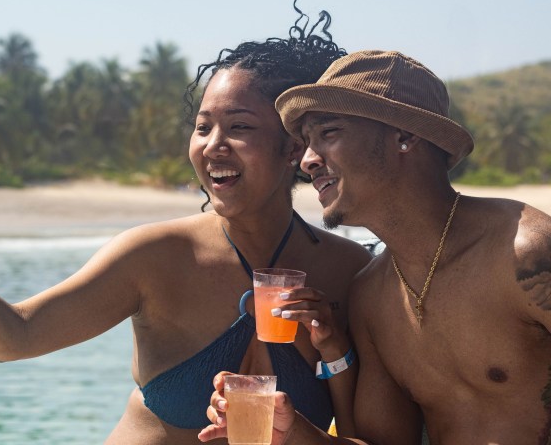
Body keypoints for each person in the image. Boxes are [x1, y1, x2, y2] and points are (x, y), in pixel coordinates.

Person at [0, 4, 372, 445]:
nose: (212, 145)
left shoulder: (350, 273)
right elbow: (14, 338)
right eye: (203, 127)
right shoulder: (156, 256)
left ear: (293, 147)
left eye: (240, 127)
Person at [200, 50, 551, 444]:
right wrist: (290, 431)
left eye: (328, 134)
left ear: (403, 135)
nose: (309, 161)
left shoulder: (525, 252)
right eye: (307, 142)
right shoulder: (372, 295)